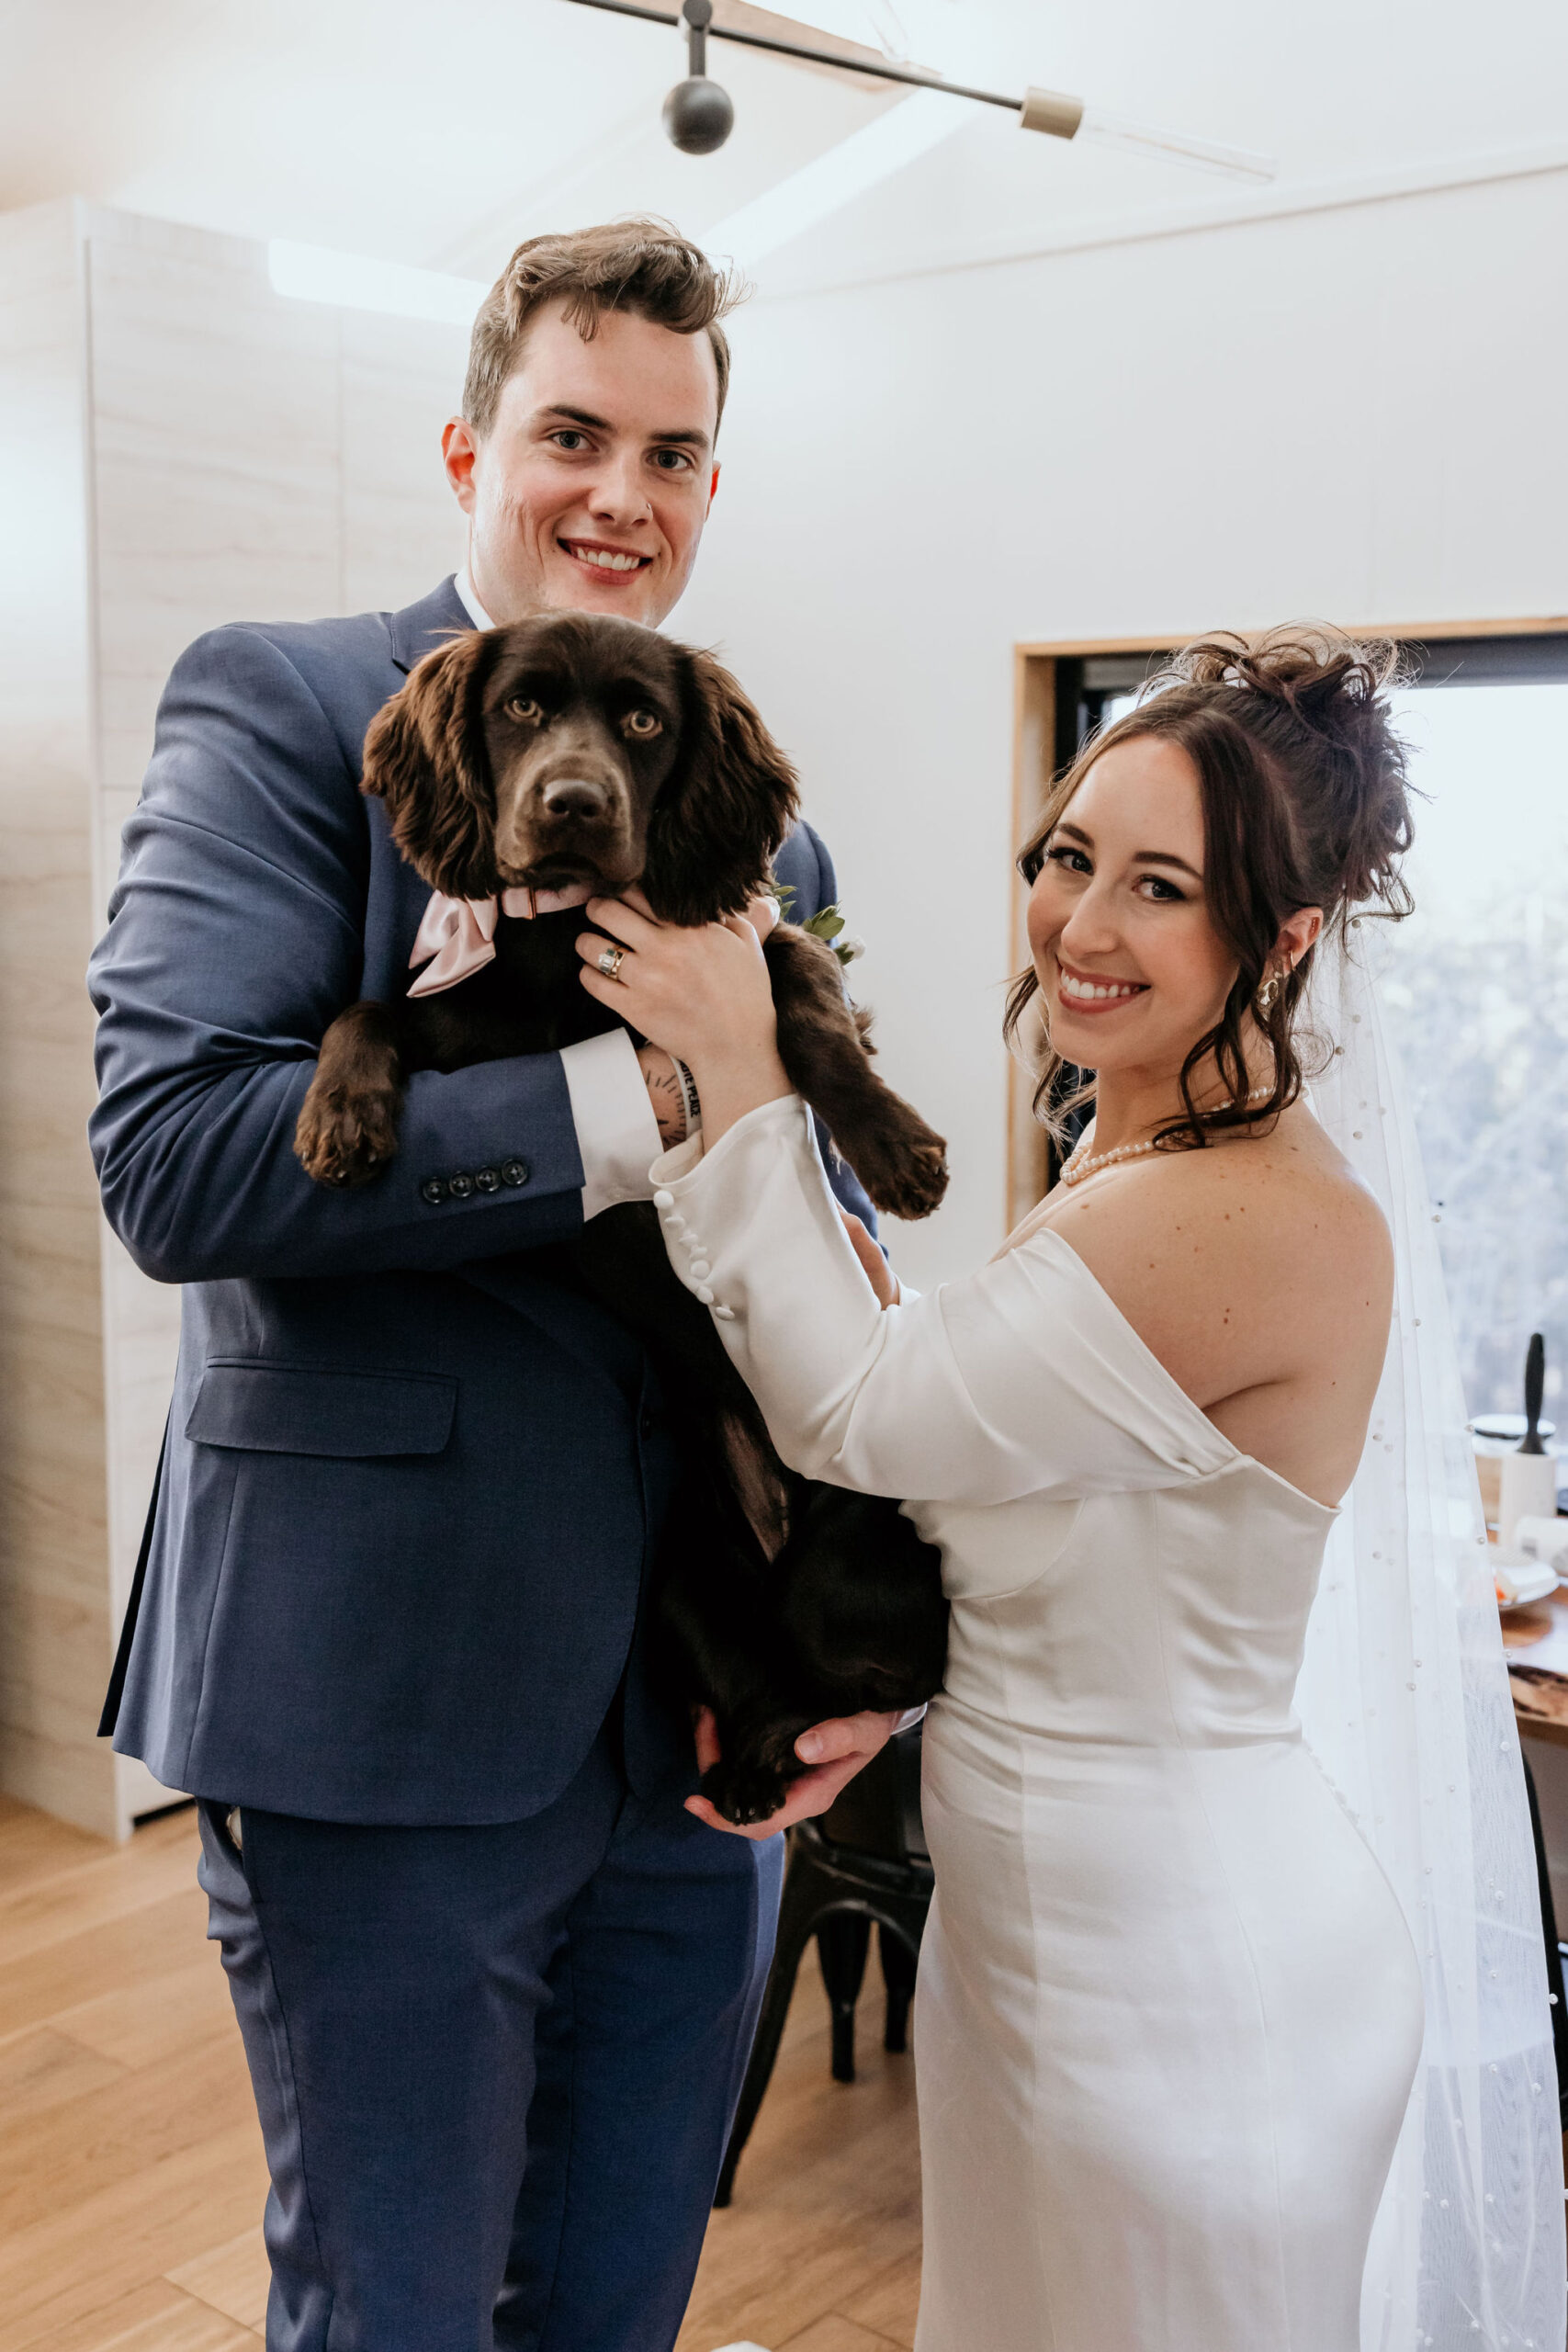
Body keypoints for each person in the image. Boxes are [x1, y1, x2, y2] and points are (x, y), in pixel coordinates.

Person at [87, 220, 901, 2352]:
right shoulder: (281, 702)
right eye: (569, 431)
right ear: (470, 442)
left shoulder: (759, 836)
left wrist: (863, 1606)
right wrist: (636, 1092)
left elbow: (810, 1246)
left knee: (618, 2306)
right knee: (395, 2315)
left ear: (712, 491)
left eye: (672, 450)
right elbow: (169, 1156)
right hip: (385, 1701)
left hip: (706, 1716)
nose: (618, 491)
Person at [577, 628, 1561, 2349]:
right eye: (1068, 857)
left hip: (1186, 1978)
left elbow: (866, 1410)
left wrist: (739, 1061)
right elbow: (1010, 1476)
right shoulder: (1138, 1143)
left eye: (1161, 886)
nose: (1082, 927)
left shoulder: (1242, 1210)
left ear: (1288, 936)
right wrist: (874, 1706)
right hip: (1046, 1933)